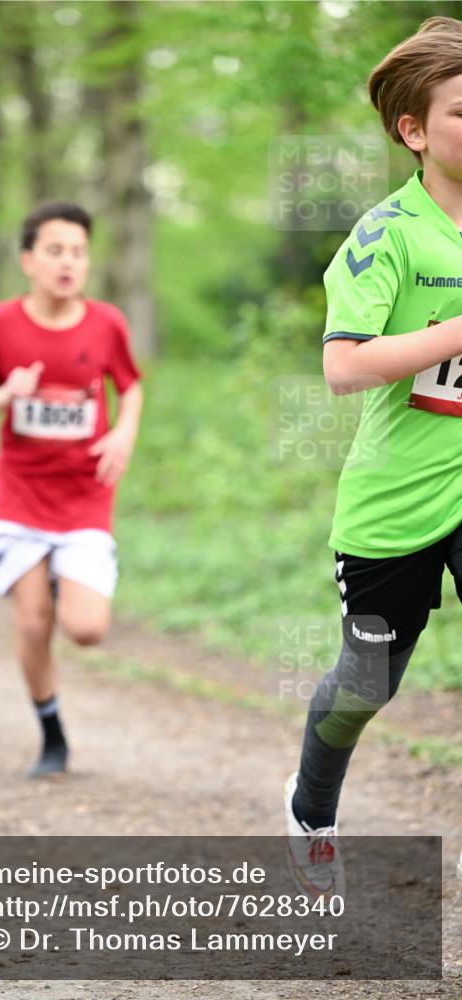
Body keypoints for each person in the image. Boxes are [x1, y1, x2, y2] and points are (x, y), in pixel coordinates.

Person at [284, 16, 462, 899]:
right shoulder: (387, 233)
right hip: (395, 500)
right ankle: (311, 807)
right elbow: (342, 365)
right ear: (415, 130)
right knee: (364, 687)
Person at [0, 201, 143, 777]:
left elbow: (130, 388)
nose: (68, 262)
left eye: (78, 252)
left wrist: (123, 437)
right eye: (55, 251)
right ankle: (52, 735)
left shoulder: (106, 322)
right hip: (19, 495)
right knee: (34, 624)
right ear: (28, 261)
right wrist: (7, 393)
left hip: (84, 495)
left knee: (86, 630)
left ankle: (63, 578)